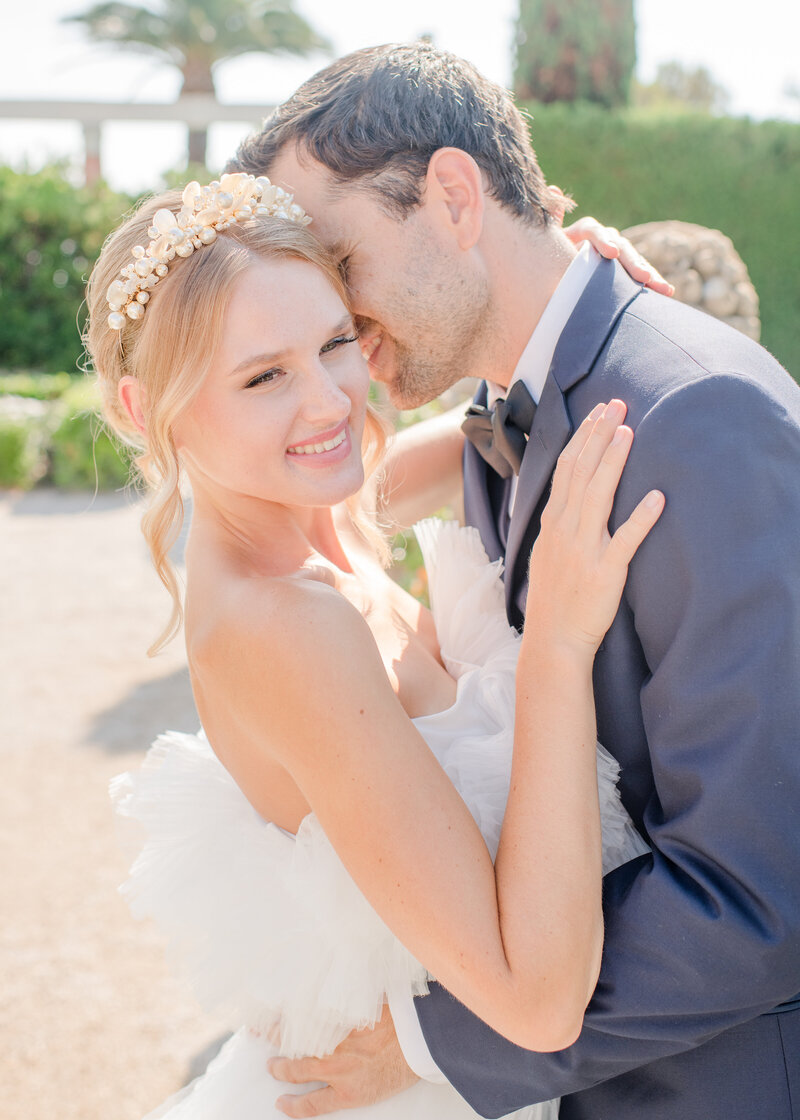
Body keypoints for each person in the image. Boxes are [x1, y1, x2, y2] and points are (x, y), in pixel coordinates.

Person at [227, 42, 800, 1120]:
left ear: (450, 195)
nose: (334, 324)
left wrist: (435, 1043)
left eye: (340, 264)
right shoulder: (511, 399)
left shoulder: (693, 417)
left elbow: (762, 889)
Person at [89, 174, 660, 1119]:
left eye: (333, 342)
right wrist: (558, 645)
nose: (328, 404)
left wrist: (558, 290)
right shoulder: (285, 621)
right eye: (263, 376)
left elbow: (474, 424)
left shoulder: (316, 511)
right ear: (149, 412)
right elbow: (537, 1001)